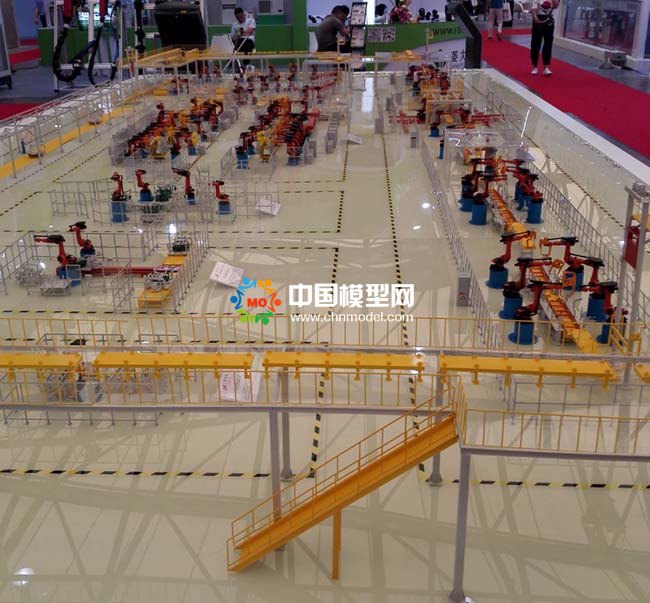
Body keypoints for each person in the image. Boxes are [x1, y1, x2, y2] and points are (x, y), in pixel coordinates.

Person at [531, 0, 559, 75]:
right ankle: (534, 66)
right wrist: (535, 17)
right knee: (536, 44)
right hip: (538, 19)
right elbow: (533, 9)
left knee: (548, 44)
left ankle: (546, 67)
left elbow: (556, 6)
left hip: (549, 20)